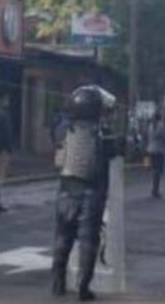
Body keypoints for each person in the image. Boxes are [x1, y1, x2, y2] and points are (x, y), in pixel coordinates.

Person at [50, 85, 121, 301]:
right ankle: (83, 288)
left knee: (63, 237)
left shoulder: (64, 130)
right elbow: (120, 148)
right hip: (91, 192)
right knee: (88, 242)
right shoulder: (101, 135)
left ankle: (58, 284)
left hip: (65, 188)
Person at [145, 113, 165, 199]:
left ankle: (154, 187)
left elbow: (147, 137)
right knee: (158, 171)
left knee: (154, 170)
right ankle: (155, 190)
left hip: (150, 149)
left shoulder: (150, 126)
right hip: (159, 150)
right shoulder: (161, 127)